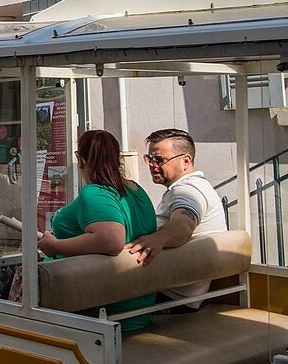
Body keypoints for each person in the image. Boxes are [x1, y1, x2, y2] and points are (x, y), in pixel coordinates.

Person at [37, 130, 157, 332]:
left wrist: (54, 245)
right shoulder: (136, 191)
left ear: (80, 158)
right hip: (137, 308)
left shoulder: (95, 192)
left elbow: (110, 240)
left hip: (99, 310)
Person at [125, 128, 227, 309]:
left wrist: (155, 239)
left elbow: (183, 226)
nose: (152, 165)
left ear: (186, 161)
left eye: (159, 159)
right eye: (149, 159)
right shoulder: (191, 187)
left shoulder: (189, 191)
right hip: (171, 291)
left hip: (171, 299)